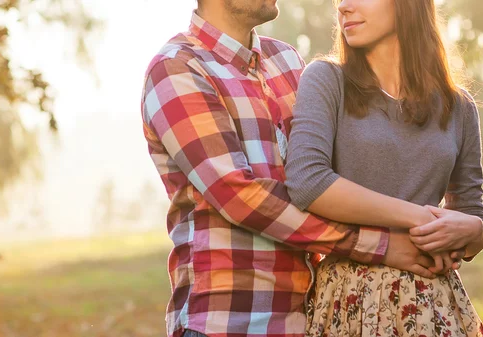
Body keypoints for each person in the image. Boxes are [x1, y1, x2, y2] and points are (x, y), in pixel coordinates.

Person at [141, 1, 464, 336]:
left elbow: (327, 174)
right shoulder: (178, 69)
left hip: (316, 316)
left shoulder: (287, 61)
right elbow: (237, 194)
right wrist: (380, 245)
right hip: (229, 321)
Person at [284, 0, 483, 335]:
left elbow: (471, 214)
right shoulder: (327, 80)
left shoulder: (459, 106)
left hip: (433, 303)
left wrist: (475, 232)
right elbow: (308, 181)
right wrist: (417, 217)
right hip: (350, 297)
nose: (344, 7)